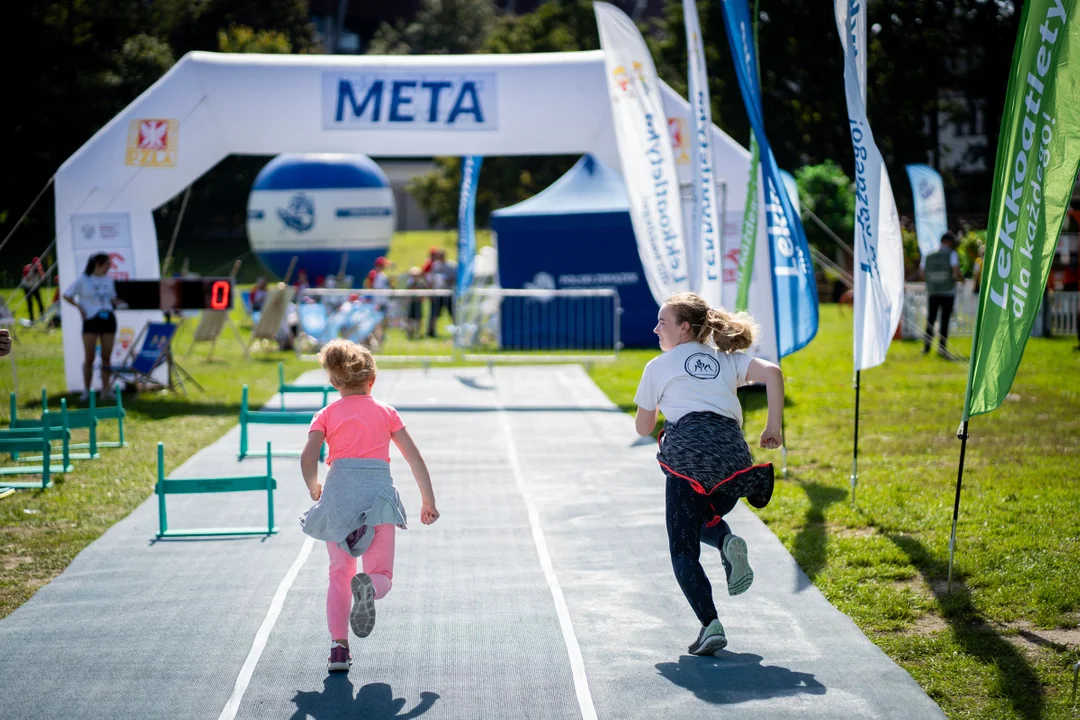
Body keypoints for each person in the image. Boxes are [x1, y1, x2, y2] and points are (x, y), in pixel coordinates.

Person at [634, 292, 783, 657]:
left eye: (662, 323)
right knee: (701, 518)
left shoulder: (658, 366)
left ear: (684, 328)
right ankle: (726, 541)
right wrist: (772, 426)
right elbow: (773, 373)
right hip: (733, 457)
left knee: (682, 547)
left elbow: (643, 427)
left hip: (688, 457)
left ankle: (710, 624)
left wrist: (655, 410)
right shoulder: (726, 359)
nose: (656, 329)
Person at [299, 339, 440, 672]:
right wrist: (427, 500)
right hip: (378, 498)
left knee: (338, 574)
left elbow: (308, 456)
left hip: (339, 498)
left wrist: (314, 487)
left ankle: (338, 650)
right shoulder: (386, 412)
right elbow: (413, 456)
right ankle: (370, 588)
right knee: (381, 575)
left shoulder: (326, 414)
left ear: (334, 383)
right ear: (372, 379)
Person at [62, 253, 122, 402]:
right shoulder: (84, 279)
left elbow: (112, 298)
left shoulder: (109, 280)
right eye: (107, 264)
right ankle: (86, 391)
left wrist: (121, 302)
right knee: (90, 357)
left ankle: (106, 390)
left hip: (108, 318)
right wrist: (80, 308)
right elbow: (67, 295)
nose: (109, 267)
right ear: (98, 264)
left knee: (106, 357)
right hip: (91, 320)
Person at [920, 231, 962, 357]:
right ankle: (942, 348)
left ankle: (926, 348)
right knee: (945, 320)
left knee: (930, 319)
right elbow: (955, 271)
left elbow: (922, 273)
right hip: (948, 292)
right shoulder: (952, 254)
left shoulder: (929, 254)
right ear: (947, 241)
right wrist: (960, 279)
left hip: (933, 291)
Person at [426, 250, 457, 338]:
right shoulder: (435, 265)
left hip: (448, 293)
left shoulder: (451, 265)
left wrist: (448, 280)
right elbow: (432, 278)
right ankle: (431, 332)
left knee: (452, 313)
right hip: (437, 293)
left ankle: (457, 330)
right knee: (434, 313)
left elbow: (455, 277)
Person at [20, 258, 46, 322]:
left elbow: (43, 277)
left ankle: (42, 316)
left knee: (39, 301)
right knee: (30, 303)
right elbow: (27, 279)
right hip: (27, 287)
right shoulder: (27, 268)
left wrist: (39, 271)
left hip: (35, 287)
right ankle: (31, 319)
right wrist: (31, 272)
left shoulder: (39, 268)